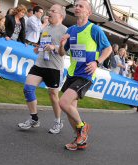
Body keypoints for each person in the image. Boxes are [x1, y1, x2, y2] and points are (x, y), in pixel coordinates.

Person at [58, 0, 112, 151]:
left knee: (63, 103)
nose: (77, 8)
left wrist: (97, 62)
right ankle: (80, 140)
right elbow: (62, 53)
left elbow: (108, 49)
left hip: (86, 74)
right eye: (75, 5)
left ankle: (83, 127)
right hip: (72, 73)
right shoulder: (70, 30)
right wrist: (62, 45)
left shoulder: (94, 29)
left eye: (81, 6)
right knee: (70, 108)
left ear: (89, 12)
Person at [18, 4, 67, 134]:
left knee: (53, 95)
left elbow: (64, 52)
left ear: (60, 15)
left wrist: (54, 47)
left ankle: (58, 121)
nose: (49, 12)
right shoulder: (45, 28)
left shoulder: (65, 30)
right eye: (49, 10)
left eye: (53, 10)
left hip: (54, 67)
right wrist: (38, 47)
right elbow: (43, 44)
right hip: (40, 63)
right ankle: (34, 119)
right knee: (28, 89)